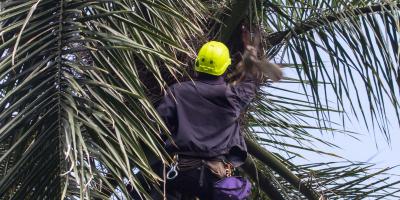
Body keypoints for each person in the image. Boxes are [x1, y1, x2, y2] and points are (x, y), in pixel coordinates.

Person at [155, 41, 260, 200]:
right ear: (225, 67)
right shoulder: (233, 97)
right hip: (216, 175)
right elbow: (250, 83)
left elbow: (158, 125)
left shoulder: (178, 91)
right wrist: (250, 54)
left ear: (197, 63)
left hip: (178, 171)